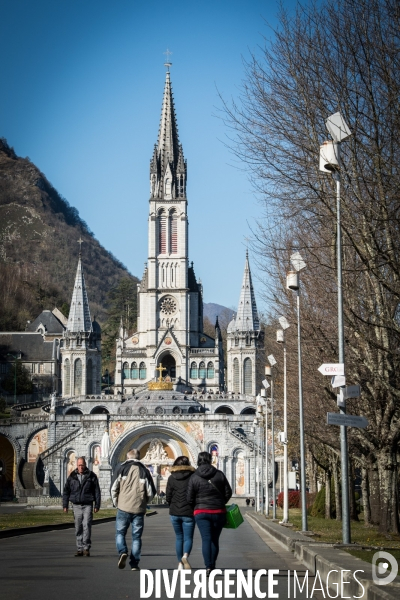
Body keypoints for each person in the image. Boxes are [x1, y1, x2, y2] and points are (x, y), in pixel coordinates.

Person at [187, 451, 232, 576]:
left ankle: (208, 566)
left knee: (206, 539)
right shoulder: (219, 474)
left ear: (198, 460)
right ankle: (212, 564)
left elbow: (189, 497)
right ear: (210, 460)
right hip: (218, 511)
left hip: (201, 512)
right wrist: (221, 502)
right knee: (215, 539)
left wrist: (195, 508)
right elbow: (228, 492)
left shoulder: (194, 476)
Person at [111, 448, 156, 571]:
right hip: (138, 509)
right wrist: (144, 502)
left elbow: (114, 488)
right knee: (136, 537)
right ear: (138, 457)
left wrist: (116, 503)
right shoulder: (144, 471)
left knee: (120, 533)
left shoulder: (121, 468)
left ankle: (122, 552)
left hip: (123, 507)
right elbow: (151, 492)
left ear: (128, 457)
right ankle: (134, 564)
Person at [62, 456, 101, 557]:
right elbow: (66, 491)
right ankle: (79, 548)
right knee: (78, 526)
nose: (81, 467)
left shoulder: (91, 476)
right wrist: (65, 505)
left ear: (85, 465)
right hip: (76, 505)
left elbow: (97, 491)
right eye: (79, 465)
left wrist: (97, 505)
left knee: (86, 525)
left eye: (82, 465)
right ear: (77, 465)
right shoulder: (72, 476)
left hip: (88, 504)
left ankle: (86, 547)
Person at [166, 456, 196, 570]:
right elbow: (194, 494)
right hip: (189, 512)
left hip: (174, 512)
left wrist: (172, 505)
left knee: (179, 537)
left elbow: (168, 496)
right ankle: (185, 556)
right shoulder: (193, 476)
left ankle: (179, 564)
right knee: (188, 538)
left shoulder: (171, 478)